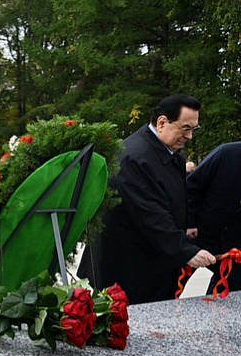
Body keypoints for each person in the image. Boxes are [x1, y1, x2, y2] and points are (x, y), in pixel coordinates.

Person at [77, 94, 215, 304]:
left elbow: (175, 193)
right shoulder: (134, 157)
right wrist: (186, 251)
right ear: (162, 122)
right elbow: (149, 213)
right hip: (127, 268)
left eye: (193, 129)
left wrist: (188, 223)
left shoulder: (166, 151)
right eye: (185, 128)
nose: (189, 136)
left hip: (152, 261)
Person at [186, 141, 241, 292]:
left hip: (234, 249)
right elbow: (191, 186)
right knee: (168, 288)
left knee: (225, 290)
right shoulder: (226, 153)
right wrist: (189, 222)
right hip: (199, 236)